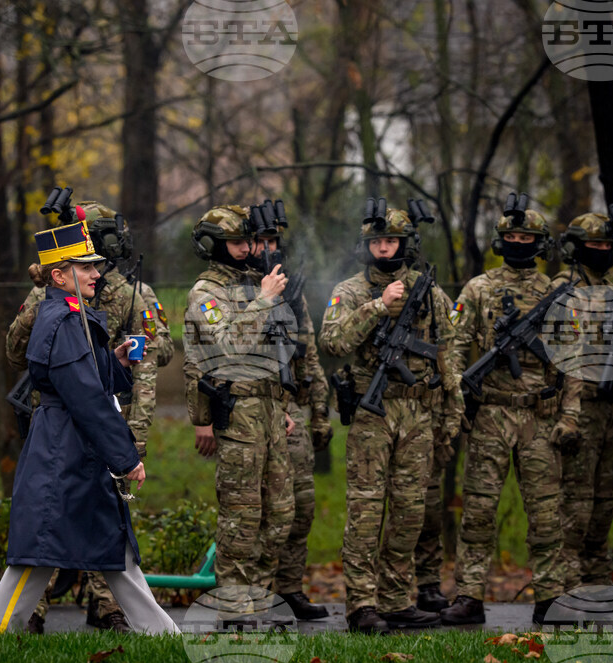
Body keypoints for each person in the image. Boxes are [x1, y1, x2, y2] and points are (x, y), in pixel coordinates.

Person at [0, 221, 178, 635]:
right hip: (64, 449)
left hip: (69, 447)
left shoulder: (70, 316)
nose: (96, 273)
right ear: (59, 275)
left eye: (95, 266)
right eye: (85, 267)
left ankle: (162, 635)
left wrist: (117, 362)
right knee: (40, 551)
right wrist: (125, 458)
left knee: (111, 547)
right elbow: (86, 398)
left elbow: (86, 378)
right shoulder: (66, 318)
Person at [319, 204, 461, 633]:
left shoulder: (430, 293)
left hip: (418, 413)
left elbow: (448, 354)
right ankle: (362, 604)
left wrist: (451, 416)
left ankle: (398, 600)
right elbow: (332, 341)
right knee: (365, 511)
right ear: (366, 246)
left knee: (409, 511)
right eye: (377, 242)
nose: (384, 248)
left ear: (405, 244)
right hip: (371, 412)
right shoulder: (351, 290)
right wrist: (378, 306)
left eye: (392, 241)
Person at [441, 203, 581, 626]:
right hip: (490, 416)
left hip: (540, 416)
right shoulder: (477, 289)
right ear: (501, 242)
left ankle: (551, 597)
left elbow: (573, 361)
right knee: (479, 511)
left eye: (528, 239)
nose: (519, 244)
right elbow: (452, 347)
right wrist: (456, 405)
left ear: (540, 245)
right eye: (513, 238)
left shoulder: (555, 293)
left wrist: (570, 416)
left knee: (545, 514)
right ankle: (468, 595)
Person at [183, 205, 296, 616]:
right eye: (236, 241)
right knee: (241, 517)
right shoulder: (205, 292)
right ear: (213, 244)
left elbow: (276, 351)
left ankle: (258, 594)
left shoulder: (254, 283)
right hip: (238, 410)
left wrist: (280, 402)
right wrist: (265, 300)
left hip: (267, 408)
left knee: (281, 513)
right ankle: (233, 604)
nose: (246, 248)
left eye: (248, 240)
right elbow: (229, 345)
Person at [246, 209, 331, 620]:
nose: (266, 250)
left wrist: (320, 413)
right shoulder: (238, 290)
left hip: (293, 410)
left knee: (300, 505)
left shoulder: (292, 291)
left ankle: (290, 588)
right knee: (261, 509)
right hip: (254, 410)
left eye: (272, 242)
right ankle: (255, 594)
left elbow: (309, 355)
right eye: (259, 242)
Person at [551, 212, 613, 589]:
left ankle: (597, 584)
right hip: (578, 411)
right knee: (575, 506)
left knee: (604, 504)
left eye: (606, 246)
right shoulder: (562, 291)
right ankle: (567, 585)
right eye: (594, 245)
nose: (601, 251)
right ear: (577, 247)